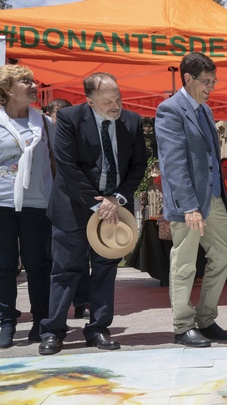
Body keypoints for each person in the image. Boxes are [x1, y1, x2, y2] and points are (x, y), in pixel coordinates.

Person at [38, 72, 147, 355]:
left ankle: (98, 329)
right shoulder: (69, 119)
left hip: (115, 208)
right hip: (73, 207)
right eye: (108, 101)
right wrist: (99, 204)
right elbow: (66, 165)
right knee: (65, 269)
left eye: (118, 99)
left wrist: (117, 199)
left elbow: (138, 166)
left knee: (105, 270)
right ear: (89, 101)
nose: (116, 106)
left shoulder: (132, 122)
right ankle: (53, 331)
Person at [155, 52, 227, 348]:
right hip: (188, 203)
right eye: (206, 81)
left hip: (212, 198)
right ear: (187, 79)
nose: (211, 86)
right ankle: (183, 325)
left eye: (214, 80)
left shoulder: (205, 110)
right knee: (185, 263)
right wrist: (189, 205)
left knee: (223, 255)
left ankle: (206, 318)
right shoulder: (170, 110)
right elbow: (173, 163)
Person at [0, 65, 53, 348]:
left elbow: (56, 163)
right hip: (1, 202)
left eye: (34, 80)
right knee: (4, 266)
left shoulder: (44, 123)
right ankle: (7, 321)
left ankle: (41, 321)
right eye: (25, 81)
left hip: (36, 203)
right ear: (8, 89)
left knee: (38, 265)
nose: (33, 85)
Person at [47, 98, 90, 320]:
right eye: (56, 114)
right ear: (49, 115)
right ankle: (52, 316)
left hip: (69, 202)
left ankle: (81, 301)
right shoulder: (44, 131)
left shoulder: (73, 132)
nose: (60, 118)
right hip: (45, 202)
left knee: (76, 259)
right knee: (57, 260)